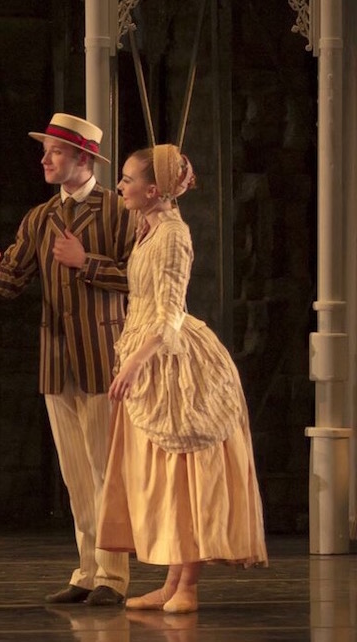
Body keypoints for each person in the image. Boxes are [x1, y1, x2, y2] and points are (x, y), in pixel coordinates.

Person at [98, 144, 267, 614]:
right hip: (146, 351)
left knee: (186, 473)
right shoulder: (148, 227)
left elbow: (170, 313)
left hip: (172, 360)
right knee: (166, 477)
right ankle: (172, 582)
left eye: (129, 179)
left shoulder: (173, 234)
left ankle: (188, 585)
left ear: (153, 190)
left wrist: (136, 362)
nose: (121, 186)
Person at [0, 113, 134, 606]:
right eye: (45, 150)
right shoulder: (40, 216)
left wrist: (85, 262)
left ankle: (113, 576)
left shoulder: (118, 211)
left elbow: (145, 279)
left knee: (104, 471)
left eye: (55, 151)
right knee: (75, 475)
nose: (44, 159)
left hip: (102, 358)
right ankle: (88, 570)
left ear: (84, 158)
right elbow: (12, 281)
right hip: (57, 362)